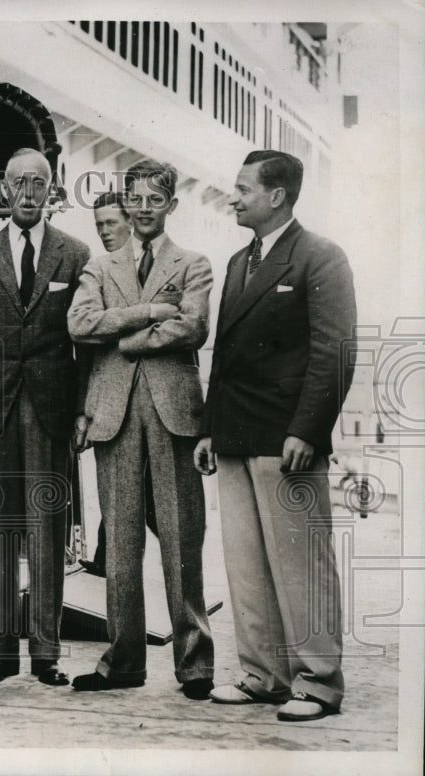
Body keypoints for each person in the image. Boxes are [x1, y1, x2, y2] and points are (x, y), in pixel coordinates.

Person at [195, 150, 356, 722]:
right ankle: (263, 674)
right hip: (237, 435)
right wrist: (210, 429)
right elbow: (226, 356)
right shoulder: (240, 262)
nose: (233, 197)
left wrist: (307, 430)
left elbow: (335, 353)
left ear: (277, 195)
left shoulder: (319, 257)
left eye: (242, 189)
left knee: (300, 563)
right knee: (246, 564)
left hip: (287, 439)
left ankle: (319, 681)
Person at [67, 159, 215, 699]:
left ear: (171, 205)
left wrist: (124, 337)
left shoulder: (194, 263)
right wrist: (151, 310)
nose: (146, 208)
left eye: (157, 199)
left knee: (182, 539)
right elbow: (80, 324)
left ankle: (195, 665)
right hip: (114, 413)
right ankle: (123, 662)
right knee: (122, 546)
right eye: (138, 199)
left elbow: (194, 326)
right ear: (126, 204)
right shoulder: (99, 266)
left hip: (174, 412)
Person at [0, 148, 91, 687]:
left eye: (39, 182)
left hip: (51, 412)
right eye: (19, 183)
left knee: (46, 530)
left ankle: (46, 654)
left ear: (50, 190)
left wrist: (82, 412)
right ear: (5, 191)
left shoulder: (75, 254)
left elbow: (87, 345)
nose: (28, 191)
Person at [82, 191, 158, 577]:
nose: (104, 231)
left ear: (131, 221)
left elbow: (186, 331)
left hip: (158, 405)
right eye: (98, 225)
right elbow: (83, 326)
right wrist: (145, 315)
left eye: (111, 223)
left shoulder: (160, 265)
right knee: (121, 504)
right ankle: (105, 575)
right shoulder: (97, 268)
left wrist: (115, 325)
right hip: (112, 405)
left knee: (154, 508)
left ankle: (106, 570)